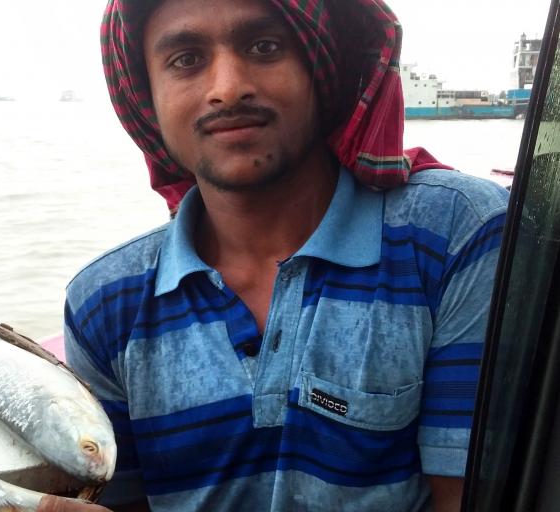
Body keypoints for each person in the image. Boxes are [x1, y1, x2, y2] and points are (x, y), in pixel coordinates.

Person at [54, 0, 510, 510]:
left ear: (322, 70)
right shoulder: (104, 302)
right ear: (146, 100)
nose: (227, 87)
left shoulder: (452, 235)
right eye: (185, 59)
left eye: (264, 47)